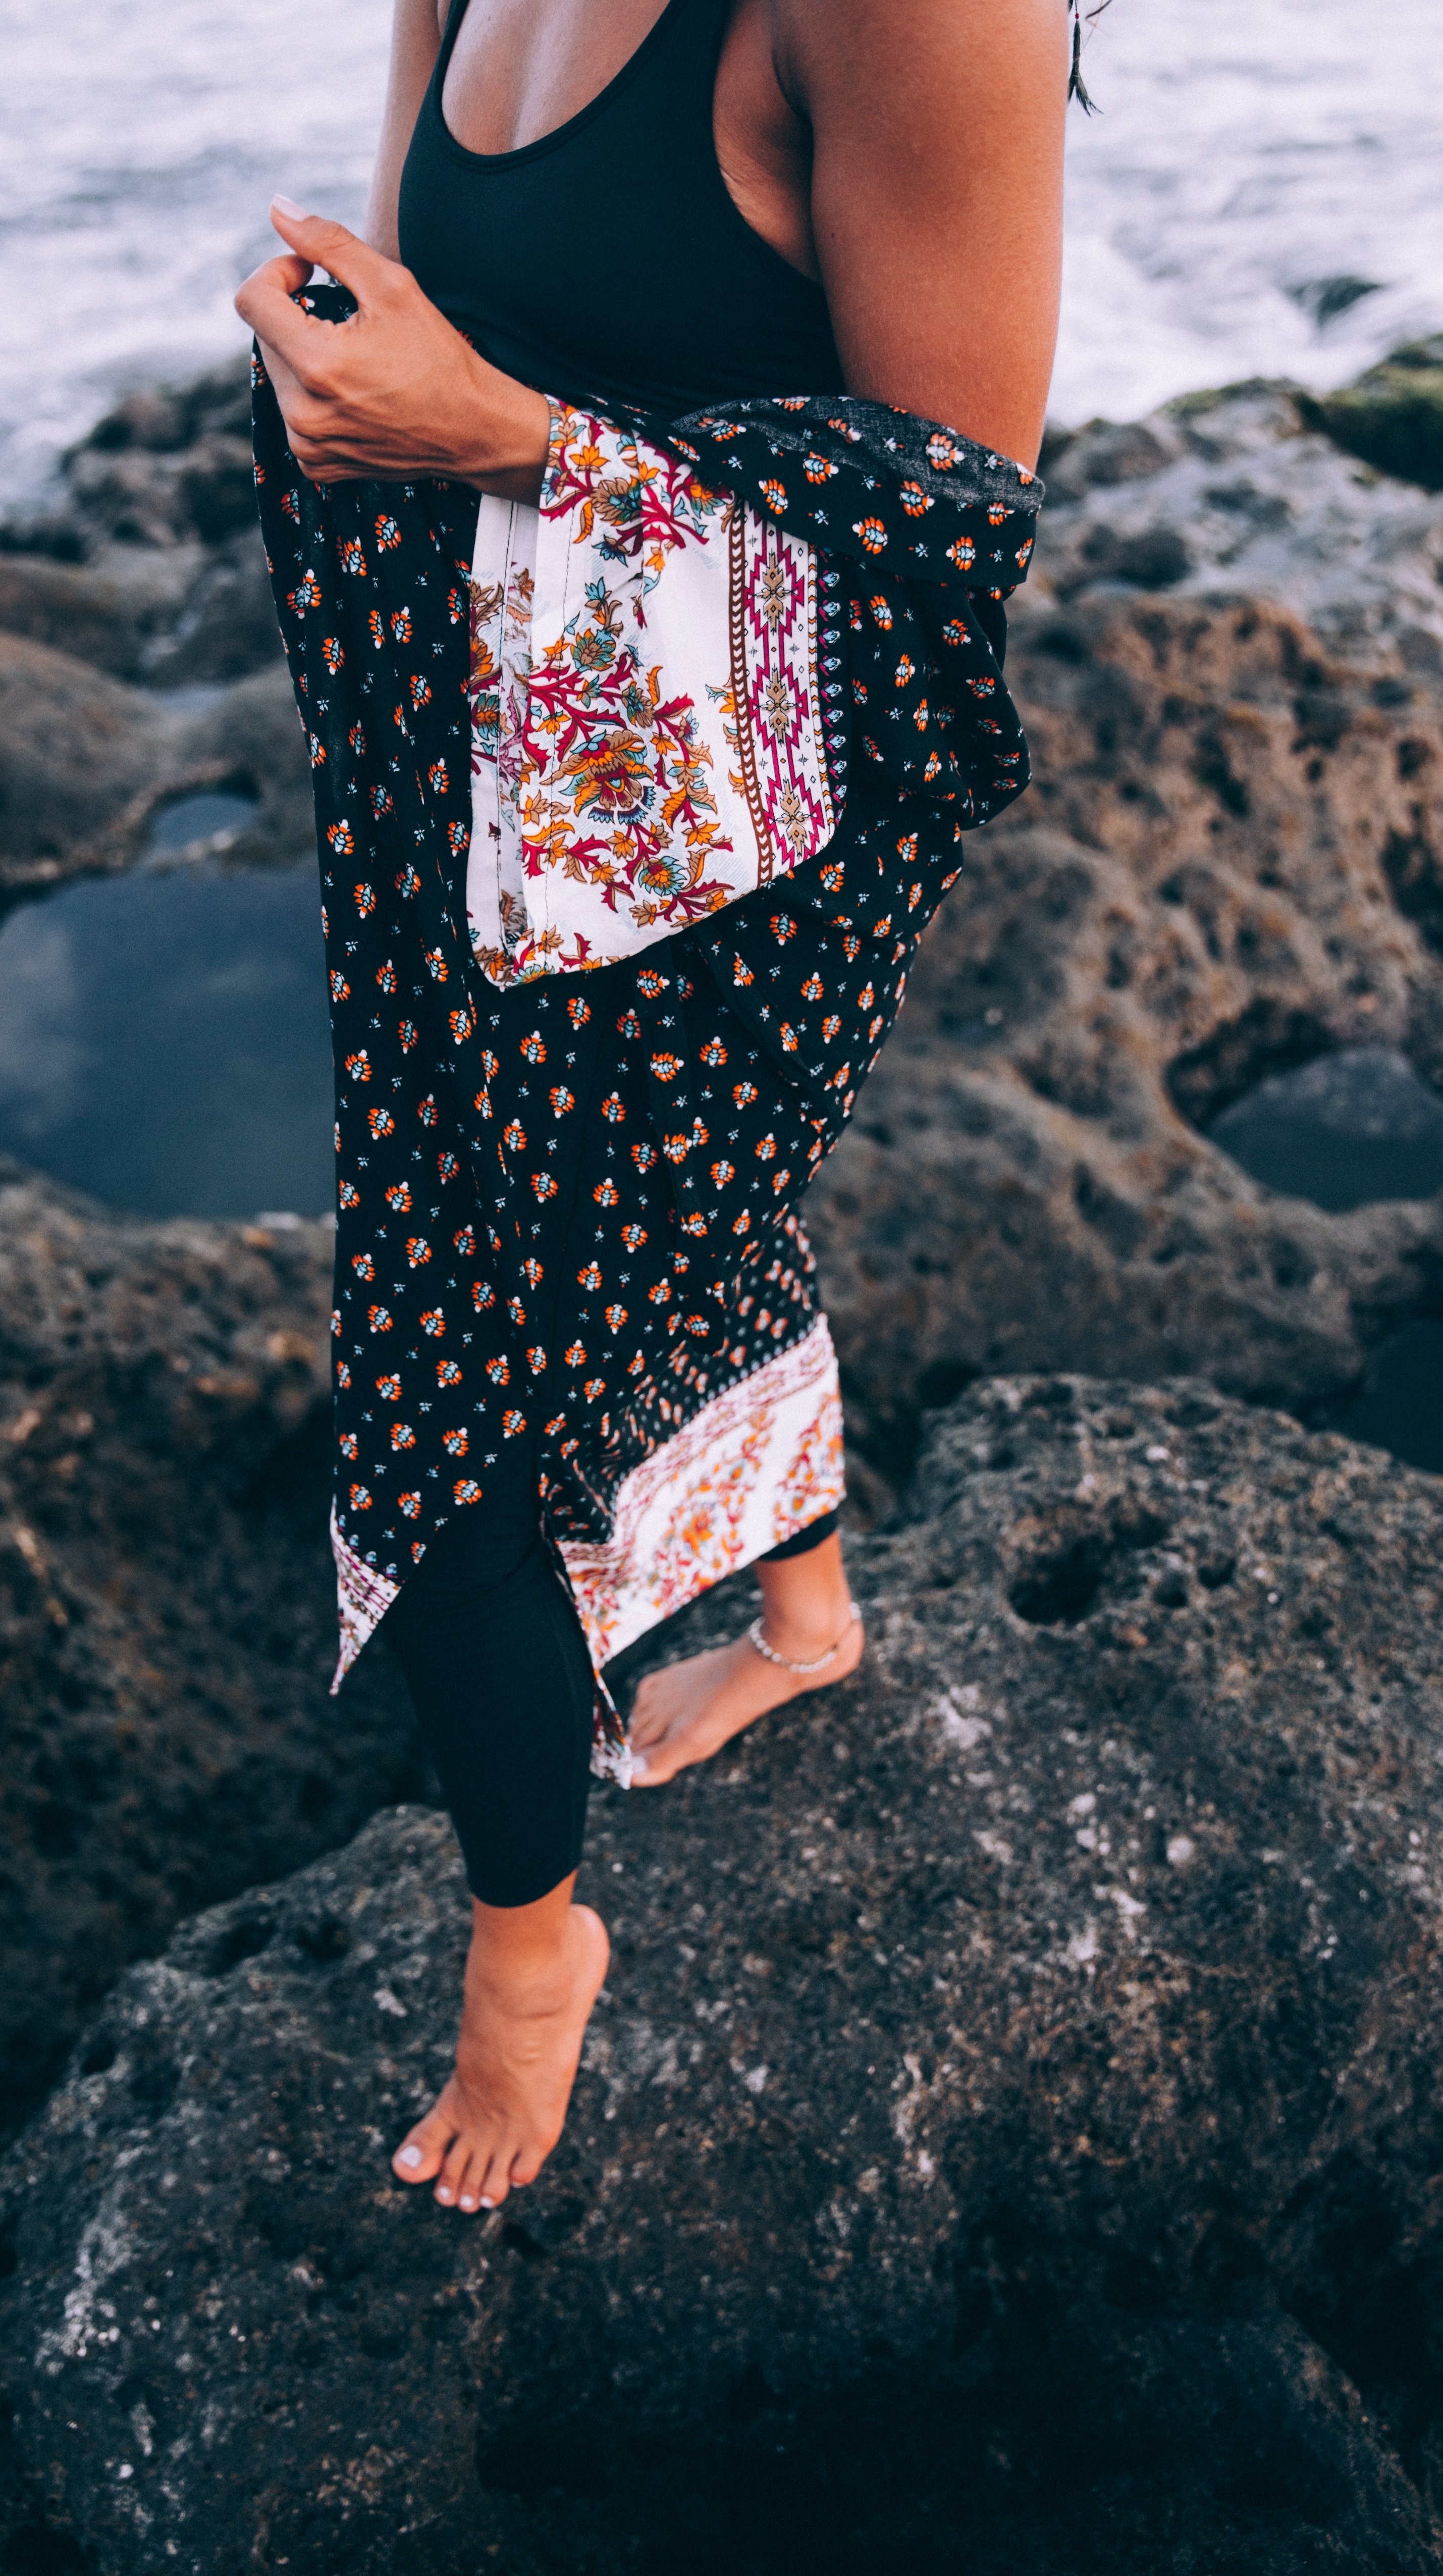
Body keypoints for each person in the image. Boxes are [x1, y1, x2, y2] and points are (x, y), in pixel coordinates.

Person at [236, 0, 1067, 2217]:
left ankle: (531, 1946)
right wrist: (344, 359)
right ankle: (803, 1618)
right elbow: (430, 318)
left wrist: (501, 435)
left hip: (752, 822)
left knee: (458, 1384)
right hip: (488, 754)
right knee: (686, 1215)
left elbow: (954, 537)